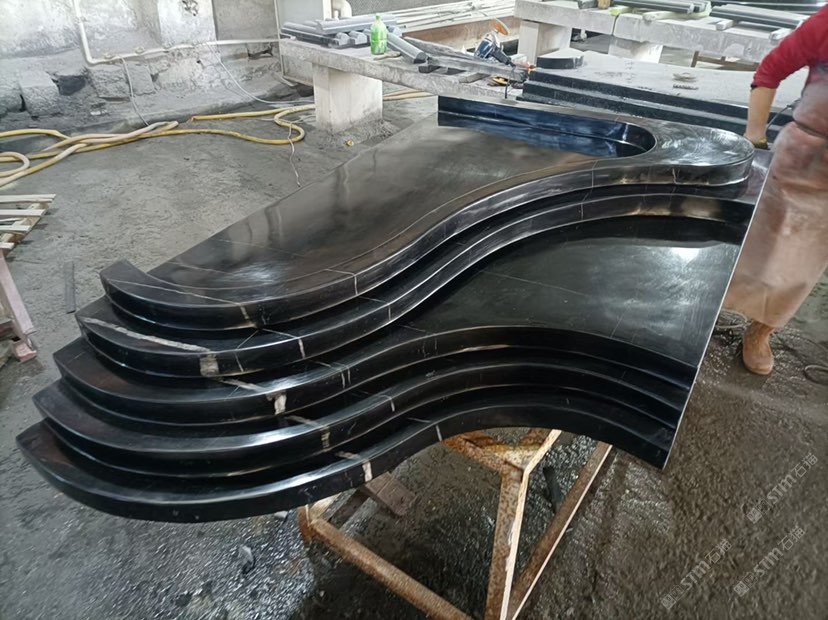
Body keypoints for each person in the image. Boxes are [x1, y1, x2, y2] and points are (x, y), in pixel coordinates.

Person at [725, 6, 828, 375]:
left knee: (801, 265)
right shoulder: (825, 24)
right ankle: (706, 313)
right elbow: (769, 72)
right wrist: (754, 137)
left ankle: (760, 332)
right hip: (797, 156)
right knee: (749, 246)